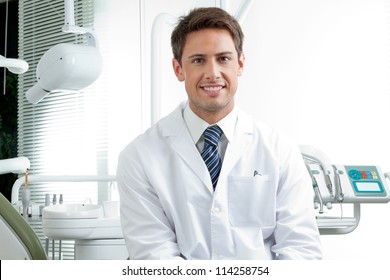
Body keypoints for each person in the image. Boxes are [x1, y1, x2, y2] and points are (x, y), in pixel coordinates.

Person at [117, 7, 322, 260]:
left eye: (223, 58)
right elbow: (154, 256)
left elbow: (300, 249)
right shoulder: (139, 157)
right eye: (198, 60)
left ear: (240, 64)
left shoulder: (280, 150)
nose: (212, 73)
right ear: (178, 69)